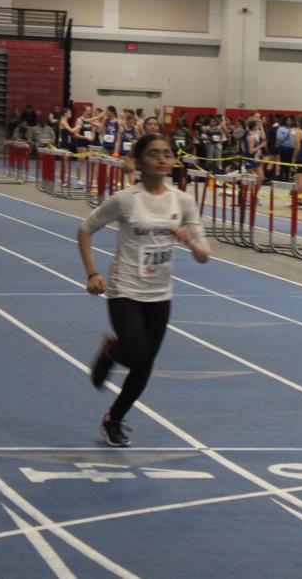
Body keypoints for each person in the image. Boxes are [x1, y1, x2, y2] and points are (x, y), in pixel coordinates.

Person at [78, 134, 210, 447]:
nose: (162, 159)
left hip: (160, 294)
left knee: (144, 365)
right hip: (125, 289)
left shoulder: (183, 201)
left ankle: (114, 419)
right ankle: (111, 351)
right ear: (138, 162)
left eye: (167, 153)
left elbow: (204, 254)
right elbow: (84, 230)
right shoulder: (125, 199)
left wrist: (189, 241)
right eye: (153, 154)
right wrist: (92, 273)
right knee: (136, 353)